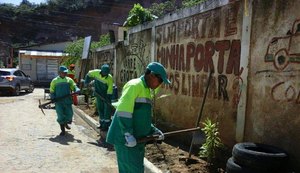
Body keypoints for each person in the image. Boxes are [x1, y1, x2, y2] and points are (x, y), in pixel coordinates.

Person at [106, 62, 171, 173]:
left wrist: (154, 130)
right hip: (125, 139)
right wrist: (128, 134)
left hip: (137, 140)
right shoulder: (135, 85)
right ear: (152, 75)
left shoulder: (146, 90)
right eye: (160, 81)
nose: (160, 84)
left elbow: (141, 117)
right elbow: (124, 112)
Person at [50, 65, 80, 136]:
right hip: (59, 101)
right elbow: (52, 90)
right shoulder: (55, 81)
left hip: (67, 100)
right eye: (63, 72)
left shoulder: (69, 80)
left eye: (66, 73)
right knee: (60, 115)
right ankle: (62, 130)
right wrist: (53, 97)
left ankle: (66, 123)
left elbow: (73, 86)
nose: (65, 74)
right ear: (59, 72)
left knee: (69, 114)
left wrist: (76, 89)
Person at [84, 64, 114, 132]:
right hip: (98, 95)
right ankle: (101, 124)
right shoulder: (96, 72)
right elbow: (88, 74)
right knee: (100, 109)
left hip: (106, 96)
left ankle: (106, 125)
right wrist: (86, 82)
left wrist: (107, 98)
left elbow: (110, 89)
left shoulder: (109, 78)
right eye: (104, 73)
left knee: (107, 111)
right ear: (101, 71)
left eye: (106, 74)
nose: (104, 75)